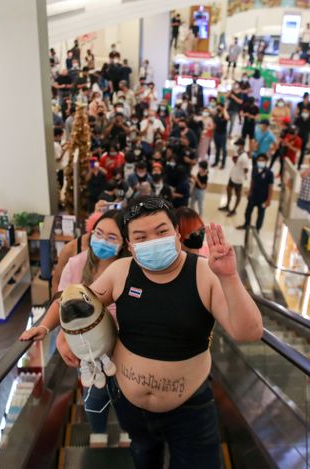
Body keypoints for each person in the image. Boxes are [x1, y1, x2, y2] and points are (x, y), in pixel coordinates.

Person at [23, 196, 263, 468]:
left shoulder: (203, 274)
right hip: (130, 406)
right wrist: (46, 326)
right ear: (130, 245)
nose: (152, 241)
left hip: (190, 412)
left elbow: (249, 332)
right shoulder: (121, 272)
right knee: (143, 457)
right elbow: (76, 299)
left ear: (176, 232)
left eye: (161, 232)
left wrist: (229, 277)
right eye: (140, 236)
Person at [22, 210, 127, 447]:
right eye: (99, 233)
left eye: (112, 237)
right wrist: (46, 328)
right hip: (88, 354)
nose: (103, 240)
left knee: (125, 398)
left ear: (123, 243)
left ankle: (127, 433)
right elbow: (61, 302)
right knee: (93, 397)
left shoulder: (128, 268)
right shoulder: (77, 264)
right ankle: (98, 434)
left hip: (124, 352)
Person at [238, 154, 274, 231]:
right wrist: (249, 192)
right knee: (247, 212)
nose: (260, 162)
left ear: (266, 161)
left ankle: (257, 229)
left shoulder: (269, 173)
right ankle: (246, 225)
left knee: (260, 215)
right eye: (259, 160)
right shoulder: (254, 169)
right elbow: (252, 181)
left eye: (262, 160)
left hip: (263, 198)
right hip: (253, 196)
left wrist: (269, 200)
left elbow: (270, 187)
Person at [220, 138, 252, 217]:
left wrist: (244, 174)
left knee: (238, 194)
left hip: (238, 178)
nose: (236, 146)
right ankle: (227, 205)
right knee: (228, 189)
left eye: (237, 145)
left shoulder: (244, 157)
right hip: (233, 175)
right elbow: (236, 162)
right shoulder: (238, 153)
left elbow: (246, 169)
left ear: (241, 145)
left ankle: (234, 210)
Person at [211, 104, 229, 169]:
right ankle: (216, 162)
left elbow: (227, 118)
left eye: (219, 107)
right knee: (217, 148)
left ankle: (223, 164)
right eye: (217, 106)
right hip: (216, 134)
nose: (218, 108)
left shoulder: (225, 114)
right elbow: (214, 125)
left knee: (224, 149)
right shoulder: (216, 115)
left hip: (223, 134)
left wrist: (224, 110)